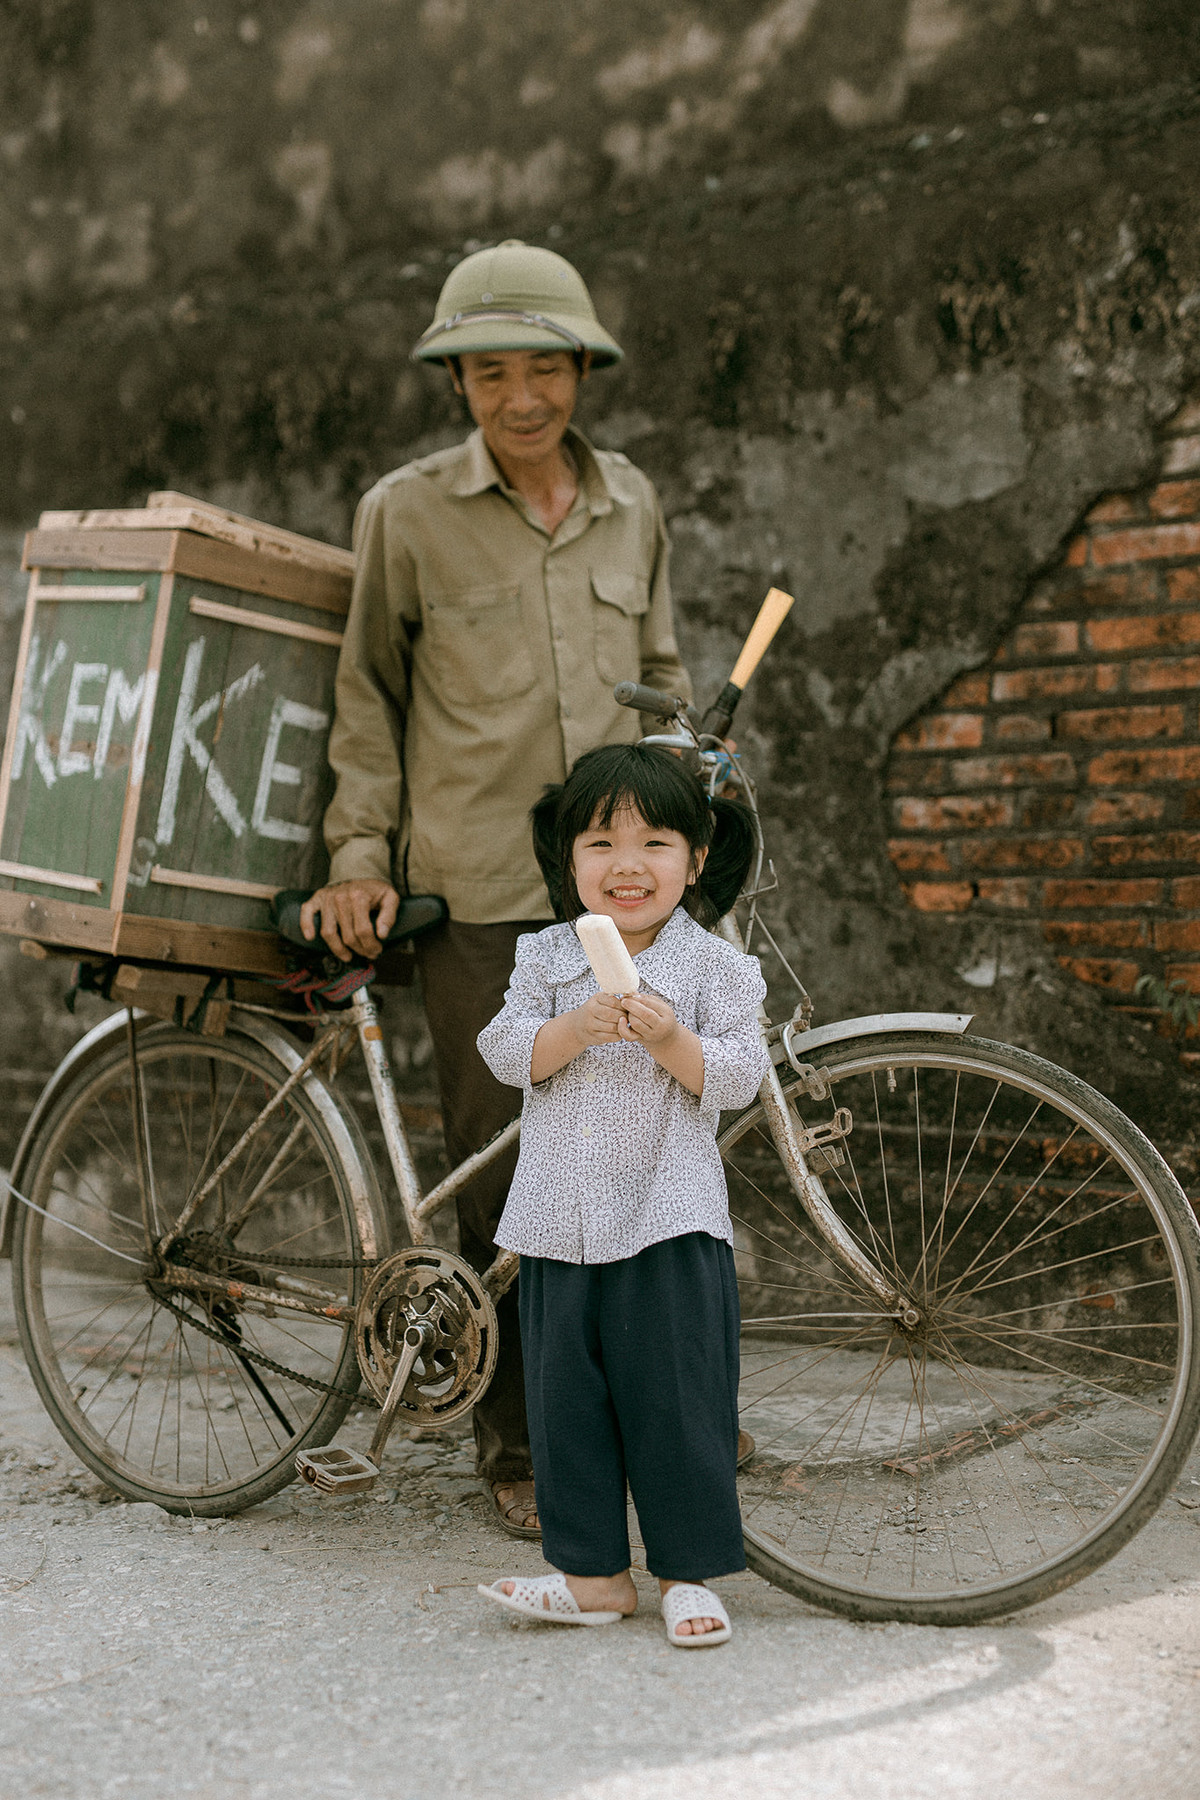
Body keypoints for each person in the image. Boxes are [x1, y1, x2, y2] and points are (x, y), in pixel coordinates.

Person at [299, 242, 693, 1539]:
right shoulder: (404, 514)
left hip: (616, 890)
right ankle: (514, 1440)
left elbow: (665, 679)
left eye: (543, 368)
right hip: (473, 892)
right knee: (510, 1166)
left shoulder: (632, 505)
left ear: (583, 370)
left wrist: (691, 802)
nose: (519, 397)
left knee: (647, 1137)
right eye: (488, 373)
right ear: (457, 382)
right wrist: (358, 854)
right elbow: (367, 697)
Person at [475, 744, 769, 1646]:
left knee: (677, 1401)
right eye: (601, 841)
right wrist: (573, 1028)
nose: (627, 865)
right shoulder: (545, 956)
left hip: (666, 1216)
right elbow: (503, 1050)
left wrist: (669, 1037)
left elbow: (736, 1077)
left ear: (697, 855)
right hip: (559, 1220)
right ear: (568, 858)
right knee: (568, 1406)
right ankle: (593, 1576)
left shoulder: (716, 968)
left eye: (655, 841)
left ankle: (688, 1572)